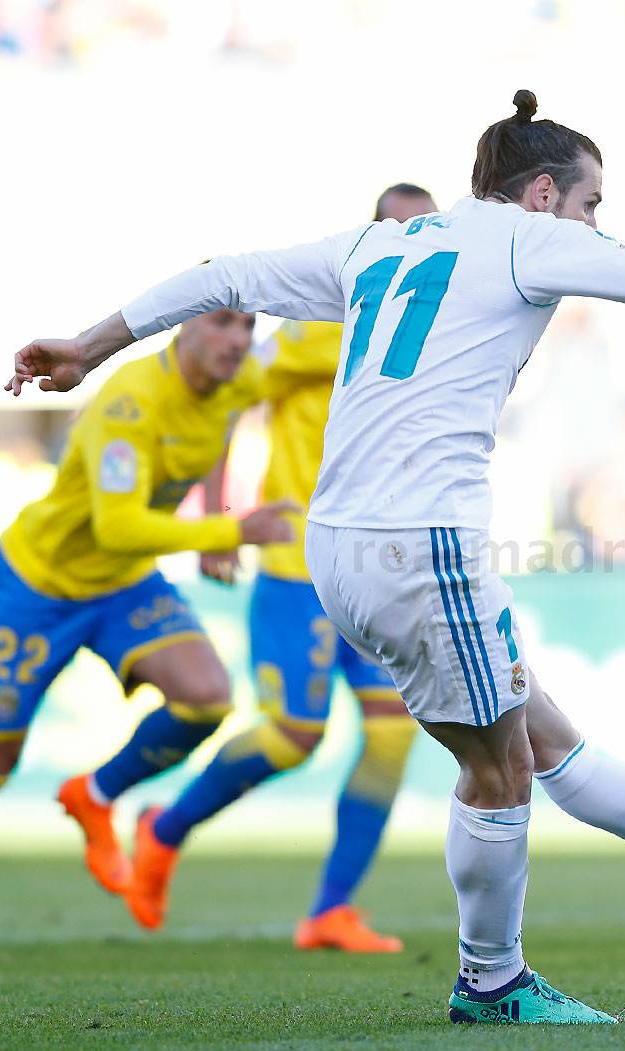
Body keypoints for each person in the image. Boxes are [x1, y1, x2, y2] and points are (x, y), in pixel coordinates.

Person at [8, 90, 625, 1025]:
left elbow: (220, 276)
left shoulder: (378, 246)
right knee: (501, 769)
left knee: (536, 734)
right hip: (420, 542)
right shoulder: (529, 238)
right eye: (593, 206)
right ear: (543, 193)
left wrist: (89, 346)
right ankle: (492, 981)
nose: (598, 227)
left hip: (338, 546)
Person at [0, 308, 296, 963]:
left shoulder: (235, 382)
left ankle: (94, 794)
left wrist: (214, 507)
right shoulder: (130, 403)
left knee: (208, 696)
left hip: (122, 584)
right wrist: (229, 531)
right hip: (39, 584)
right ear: (184, 325)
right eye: (220, 323)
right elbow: (118, 527)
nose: (237, 340)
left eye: (246, 325)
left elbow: (235, 416)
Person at [132, 185, 439, 953]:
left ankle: (330, 909)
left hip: (377, 565)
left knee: (393, 734)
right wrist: (218, 516)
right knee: (294, 733)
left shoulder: (434, 327)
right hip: (297, 562)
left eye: (423, 231)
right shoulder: (320, 327)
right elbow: (231, 396)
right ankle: (165, 828)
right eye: (397, 231)